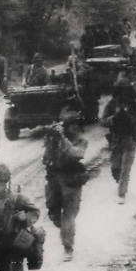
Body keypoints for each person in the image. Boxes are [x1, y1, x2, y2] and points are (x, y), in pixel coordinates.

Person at [43, 110, 88, 262]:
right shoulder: (55, 140)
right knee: (53, 211)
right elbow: (45, 158)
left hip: (71, 179)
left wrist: (62, 139)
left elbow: (77, 154)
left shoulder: (81, 140)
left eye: (76, 125)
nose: (74, 128)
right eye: (71, 125)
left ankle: (68, 247)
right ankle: (65, 231)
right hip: (54, 179)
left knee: (69, 214)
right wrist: (50, 140)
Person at [101, 75, 136, 204]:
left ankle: (121, 193)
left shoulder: (135, 104)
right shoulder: (112, 104)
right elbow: (102, 121)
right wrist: (114, 118)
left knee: (126, 167)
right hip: (115, 138)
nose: (123, 93)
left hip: (130, 138)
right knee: (115, 168)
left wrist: (128, 117)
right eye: (121, 90)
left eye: (126, 90)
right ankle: (120, 182)